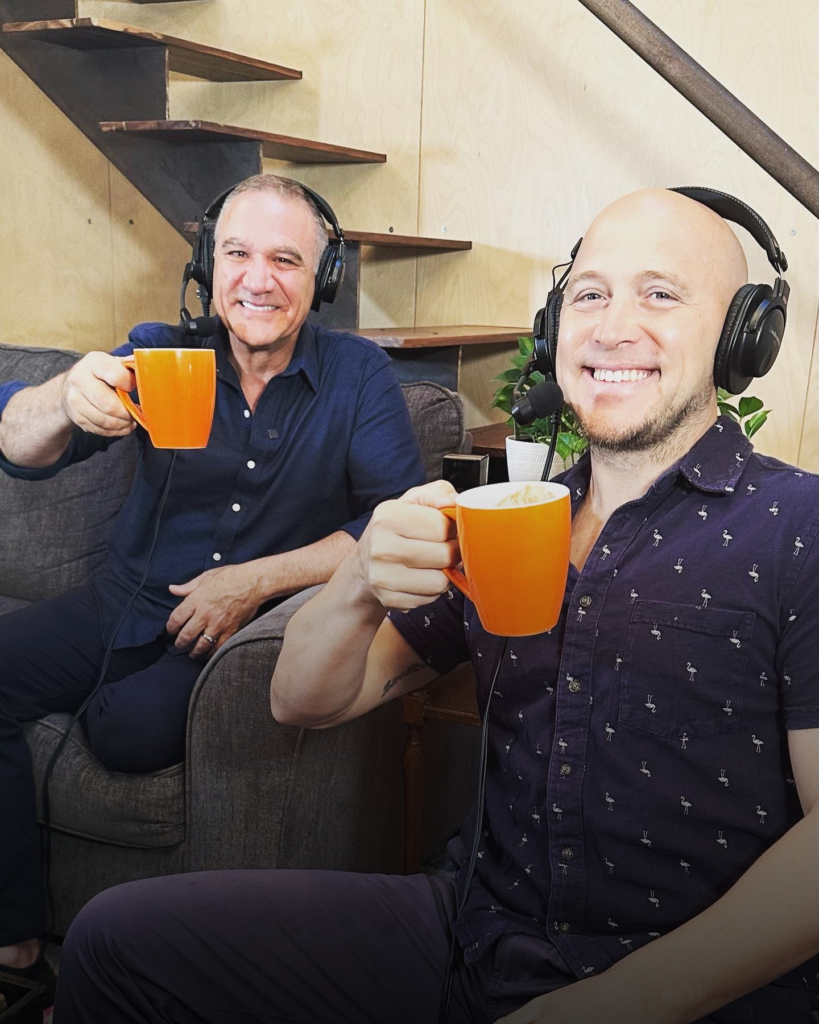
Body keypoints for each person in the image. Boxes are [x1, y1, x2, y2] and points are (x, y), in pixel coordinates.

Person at [55, 188, 818, 1024]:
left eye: (660, 295)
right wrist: (355, 582)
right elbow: (301, 699)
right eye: (590, 294)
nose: (610, 327)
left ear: (743, 336)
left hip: (696, 984)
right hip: (472, 937)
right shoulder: (508, 523)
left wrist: (619, 1004)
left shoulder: (797, 528)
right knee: (116, 942)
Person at [0, 175, 424, 1000]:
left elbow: (389, 520)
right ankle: (13, 936)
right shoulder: (160, 350)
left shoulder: (358, 377)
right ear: (208, 262)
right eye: (237, 253)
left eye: (284, 259)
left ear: (320, 278)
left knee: (122, 735)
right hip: (120, 599)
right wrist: (64, 396)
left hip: (236, 632)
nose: (256, 279)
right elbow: (19, 447)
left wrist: (254, 580)